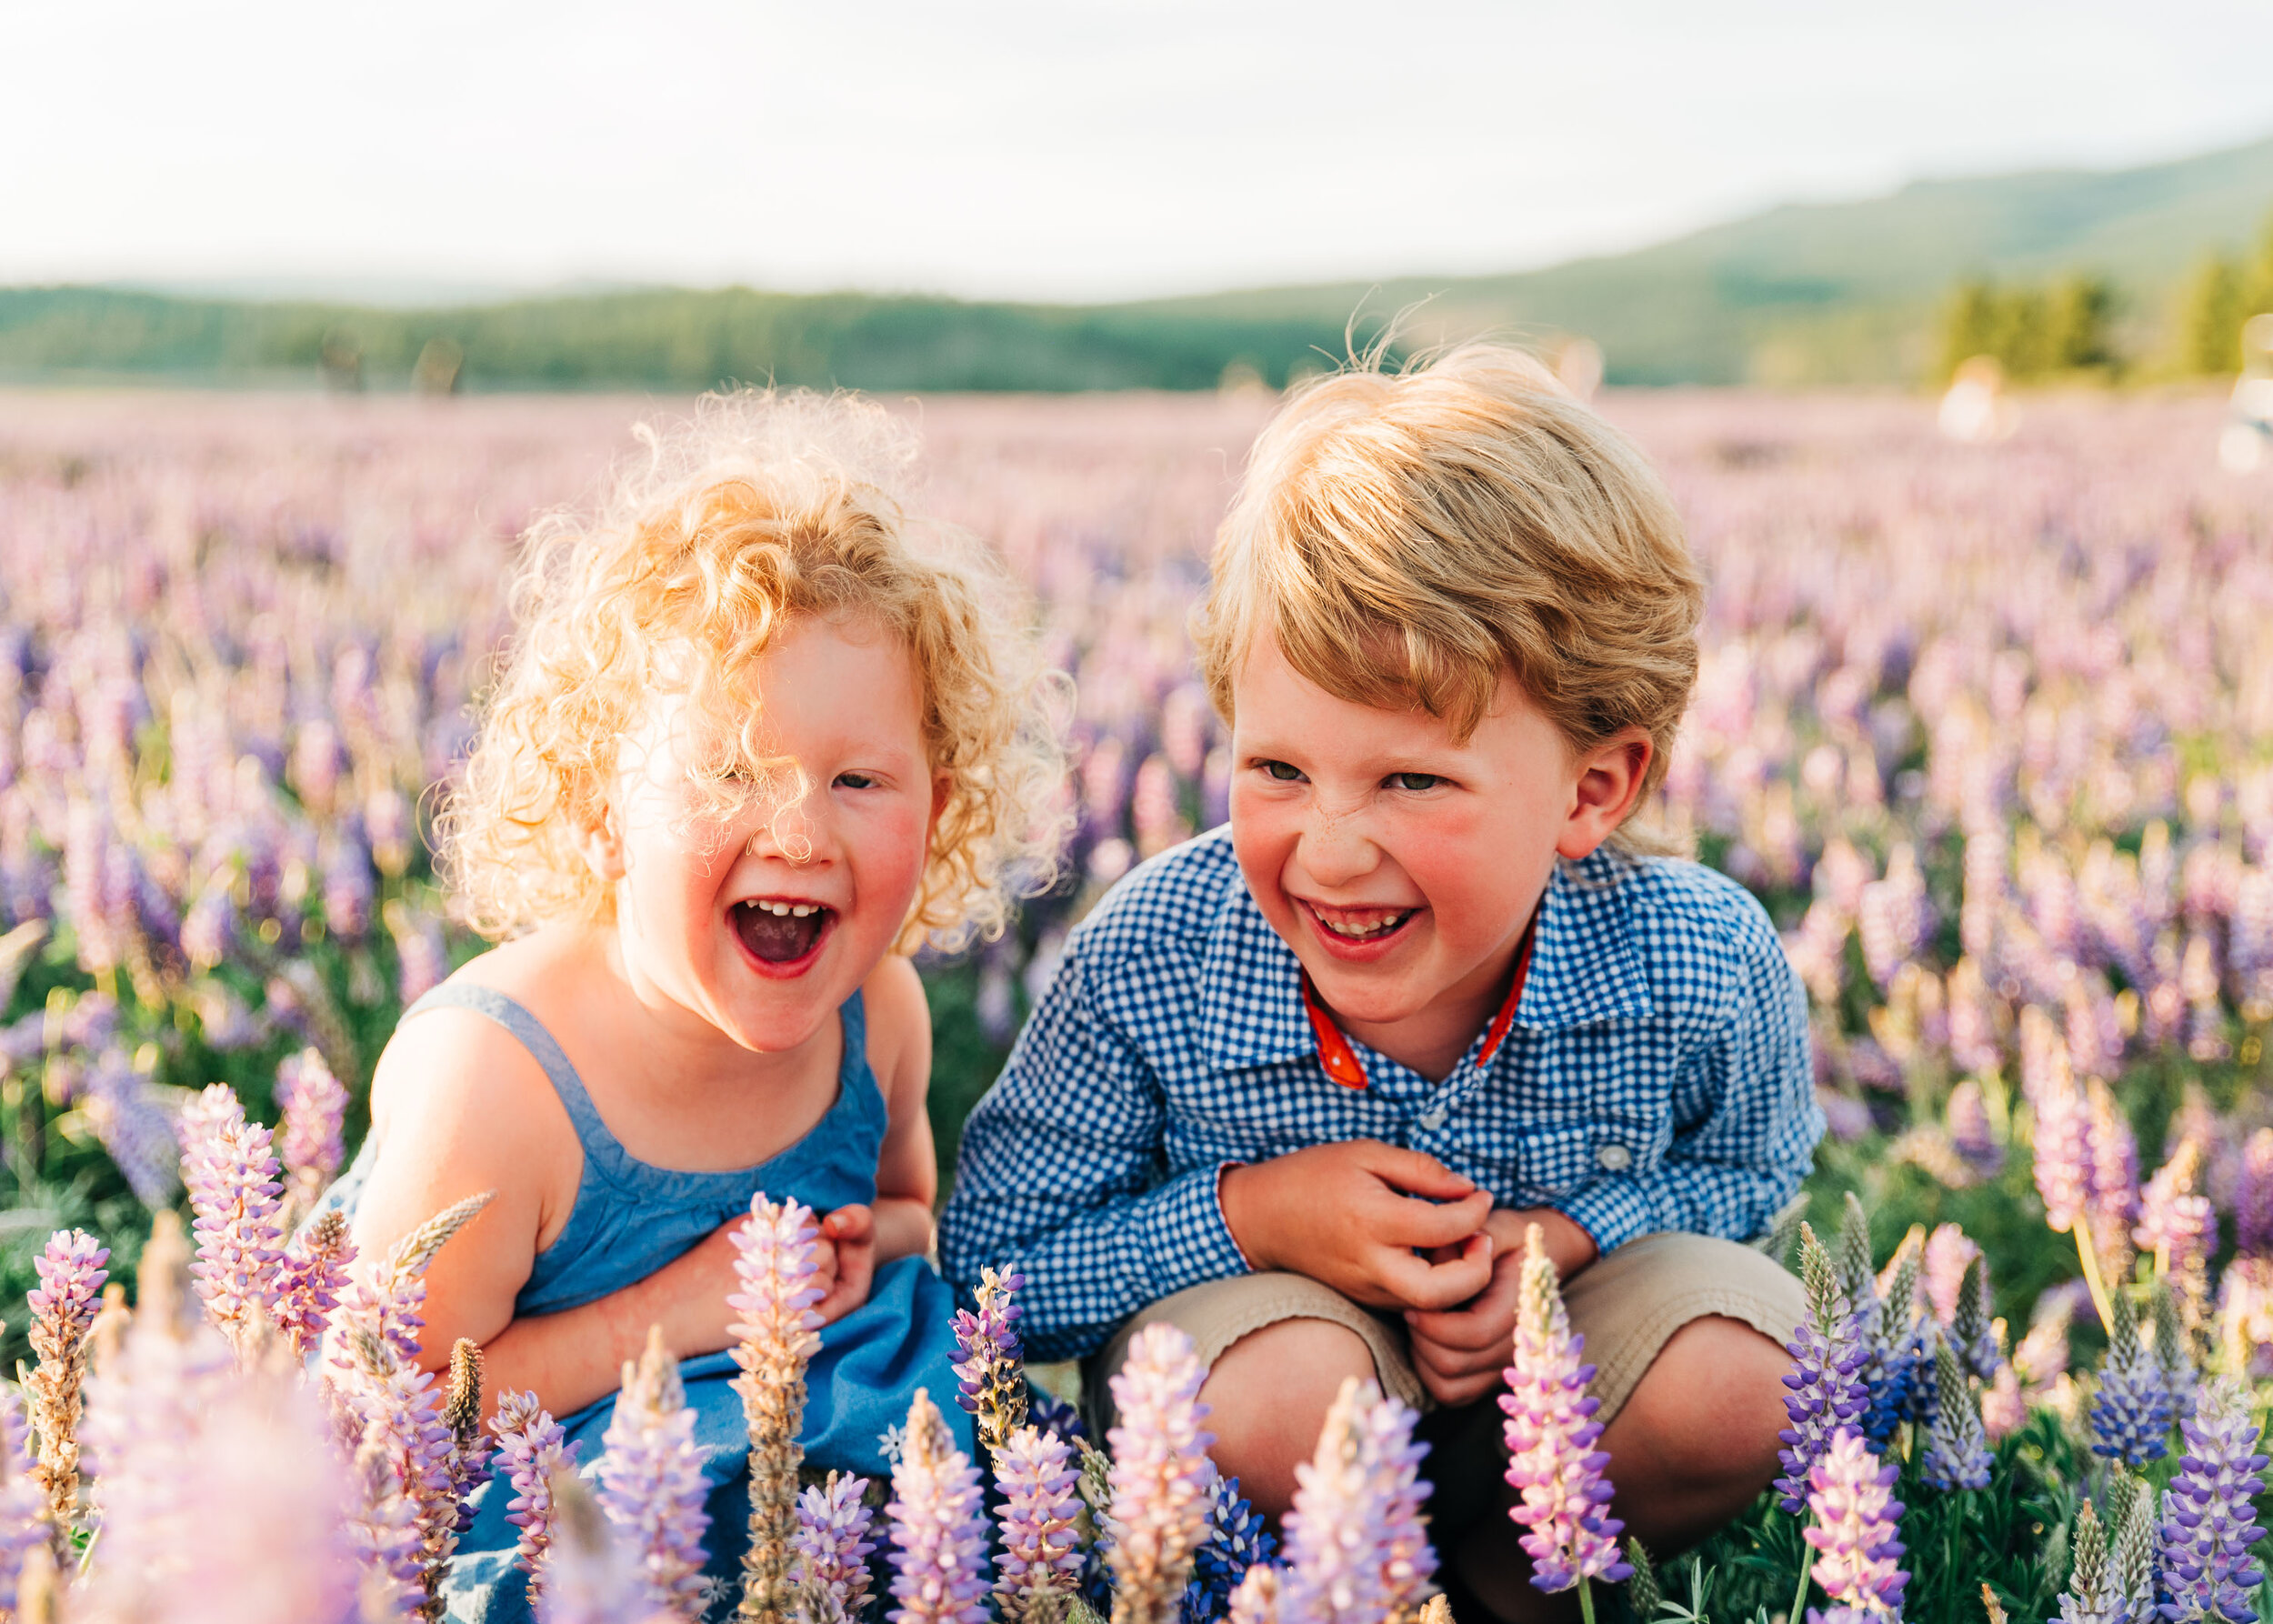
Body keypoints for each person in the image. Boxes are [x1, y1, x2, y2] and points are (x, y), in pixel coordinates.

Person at [940, 345, 1823, 1621]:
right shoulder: (1157, 952)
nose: (1332, 846)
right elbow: (996, 1265)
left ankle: (1502, 1592)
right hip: (1282, 1393)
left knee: (1764, 1371)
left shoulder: (1698, 957)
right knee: (1284, 1395)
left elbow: (1753, 1171)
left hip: (1560, 1378)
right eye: (1279, 770)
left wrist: (1569, 1239)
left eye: (1411, 780)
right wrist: (1256, 1216)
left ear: (1593, 788)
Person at [325, 390, 1063, 1621]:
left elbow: (906, 1210)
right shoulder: (497, 1084)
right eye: (727, 767)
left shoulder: (877, 1013)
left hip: (833, 1443)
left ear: (940, 803)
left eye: (860, 777)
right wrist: (671, 1309)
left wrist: (860, 1250)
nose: (797, 829)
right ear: (601, 802)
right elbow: (402, 1420)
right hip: (566, 1484)